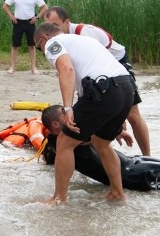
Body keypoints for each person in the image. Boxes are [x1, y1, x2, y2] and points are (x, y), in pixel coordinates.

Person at [34, 22, 134, 203]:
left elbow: (67, 69)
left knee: (64, 142)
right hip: (126, 88)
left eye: (40, 49)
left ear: (43, 38)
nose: (45, 54)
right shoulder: (82, 42)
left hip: (105, 89)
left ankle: (58, 198)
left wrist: (67, 108)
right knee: (101, 142)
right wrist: (116, 128)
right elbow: (90, 96)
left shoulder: (52, 43)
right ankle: (117, 193)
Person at [45, 6, 152, 156]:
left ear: (67, 23)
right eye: (48, 26)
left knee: (133, 116)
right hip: (97, 77)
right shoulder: (60, 41)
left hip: (117, 67)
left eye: (55, 25)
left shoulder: (85, 33)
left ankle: (148, 157)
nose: (50, 31)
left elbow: (99, 65)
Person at [3, 0, 47, 74]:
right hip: (17, 23)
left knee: (32, 45)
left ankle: (33, 67)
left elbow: (45, 7)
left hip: (30, 24)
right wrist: (11, 16)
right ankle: (12, 67)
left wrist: (37, 17)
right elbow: (5, 6)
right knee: (15, 45)